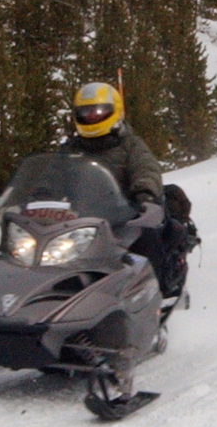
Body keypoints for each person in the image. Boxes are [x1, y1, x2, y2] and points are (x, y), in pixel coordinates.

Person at [61, 82, 193, 307]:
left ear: (114, 111)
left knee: (145, 246)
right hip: (78, 218)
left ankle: (156, 299)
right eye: (86, 112)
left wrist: (145, 196)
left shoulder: (129, 145)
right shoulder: (70, 149)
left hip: (124, 217)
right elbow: (52, 173)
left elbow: (147, 169)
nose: (92, 117)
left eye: (99, 111)